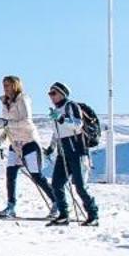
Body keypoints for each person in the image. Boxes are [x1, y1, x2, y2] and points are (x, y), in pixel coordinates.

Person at [0, 75, 50, 218]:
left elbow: (26, 122)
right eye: (4, 85)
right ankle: (11, 206)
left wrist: (7, 124)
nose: (5, 88)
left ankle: (57, 203)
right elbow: (7, 126)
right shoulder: (5, 102)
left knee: (36, 176)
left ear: (15, 86)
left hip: (29, 141)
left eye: (8, 85)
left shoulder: (23, 99)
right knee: (10, 174)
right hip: (14, 144)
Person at [45, 81, 99, 226]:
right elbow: (56, 132)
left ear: (62, 93)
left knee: (80, 186)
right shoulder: (56, 110)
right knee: (56, 184)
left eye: (53, 93)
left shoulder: (71, 106)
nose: (51, 96)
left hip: (77, 151)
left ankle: (93, 215)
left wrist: (62, 119)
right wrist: (51, 148)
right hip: (63, 153)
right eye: (50, 93)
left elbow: (77, 125)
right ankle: (63, 214)